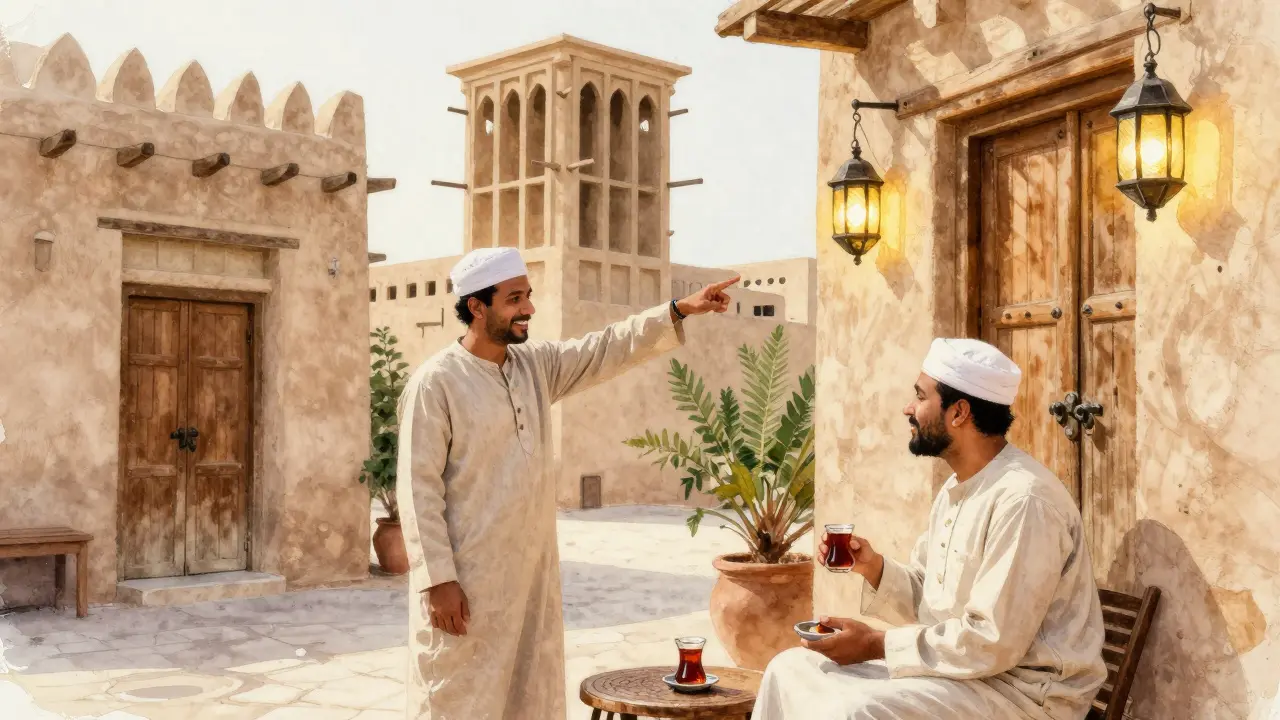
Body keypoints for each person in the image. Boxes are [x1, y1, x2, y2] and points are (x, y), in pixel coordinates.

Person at [396, 247, 738, 719]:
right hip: (467, 584)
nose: (528, 309)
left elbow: (605, 347)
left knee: (529, 695)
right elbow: (418, 489)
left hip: (530, 579)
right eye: (515, 298)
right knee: (458, 699)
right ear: (477, 306)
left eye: (528, 296)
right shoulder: (436, 383)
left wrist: (678, 309)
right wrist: (438, 580)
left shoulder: (533, 367)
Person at [753, 338, 1106, 720]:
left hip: (1024, 694)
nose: (909, 408)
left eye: (920, 397)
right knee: (790, 669)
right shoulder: (956, 488)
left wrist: (875, 644)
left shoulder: (1024, 500)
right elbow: (933, 603)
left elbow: (992, 641)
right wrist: (873, 568)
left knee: (855, 712)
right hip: (962, 676)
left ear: (959, 413)